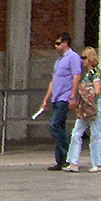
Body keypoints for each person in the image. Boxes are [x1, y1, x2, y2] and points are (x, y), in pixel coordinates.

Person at [40, 32, 82, 171]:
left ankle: (68, 154)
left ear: (65, 43)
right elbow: (54, 80)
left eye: (58, 43)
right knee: (60, 127)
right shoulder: (59, 61)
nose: (56, 46)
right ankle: (61, 161)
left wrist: (72, 96)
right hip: (56, 97)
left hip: (65, 97)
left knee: (54, 125)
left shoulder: (73, 57)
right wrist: (46, 99)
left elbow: (76, 76)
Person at [65, 46, 101, 172]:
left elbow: (97, 90)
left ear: (90, 58)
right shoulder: (87, 74)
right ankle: (73, 162)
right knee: (76, 131)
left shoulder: (95, 73)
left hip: (93, 105)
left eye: (84, 57)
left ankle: (98, 163)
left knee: (95, 133)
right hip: (84, 106)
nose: (82, 60)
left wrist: (85, 91)